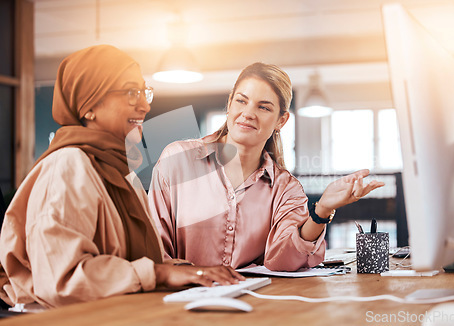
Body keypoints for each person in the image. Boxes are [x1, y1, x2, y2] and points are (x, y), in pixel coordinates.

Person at [0, 45, 243, 310]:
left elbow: (145, 260)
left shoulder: (121, 171)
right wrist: (162, 274)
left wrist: (193, 272)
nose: (145, 104)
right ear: (89, 106)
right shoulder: (68, 165)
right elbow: (63, 280)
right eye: (131, 93)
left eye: (144, 91)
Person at [148, 62, 385, 271]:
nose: (248, 113)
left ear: (281, 120)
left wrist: (321, 210)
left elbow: (283, 260)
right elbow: (154, 248)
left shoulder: (286, 188)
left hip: (253, 308)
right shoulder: (178, 159)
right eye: (241, 101)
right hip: (180, 304)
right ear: (230, 104)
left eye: (263, 107)